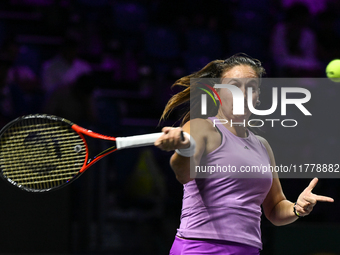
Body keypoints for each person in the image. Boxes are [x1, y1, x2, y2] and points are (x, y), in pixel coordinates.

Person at [154, 53, 334, 254]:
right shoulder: (201, 127)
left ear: (258, 97)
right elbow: (183, 173)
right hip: (200, 247)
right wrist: (184, 149)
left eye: (251, 88)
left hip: (248, 250)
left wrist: (297, 208)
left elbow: (275, 209)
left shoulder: (262, 145)